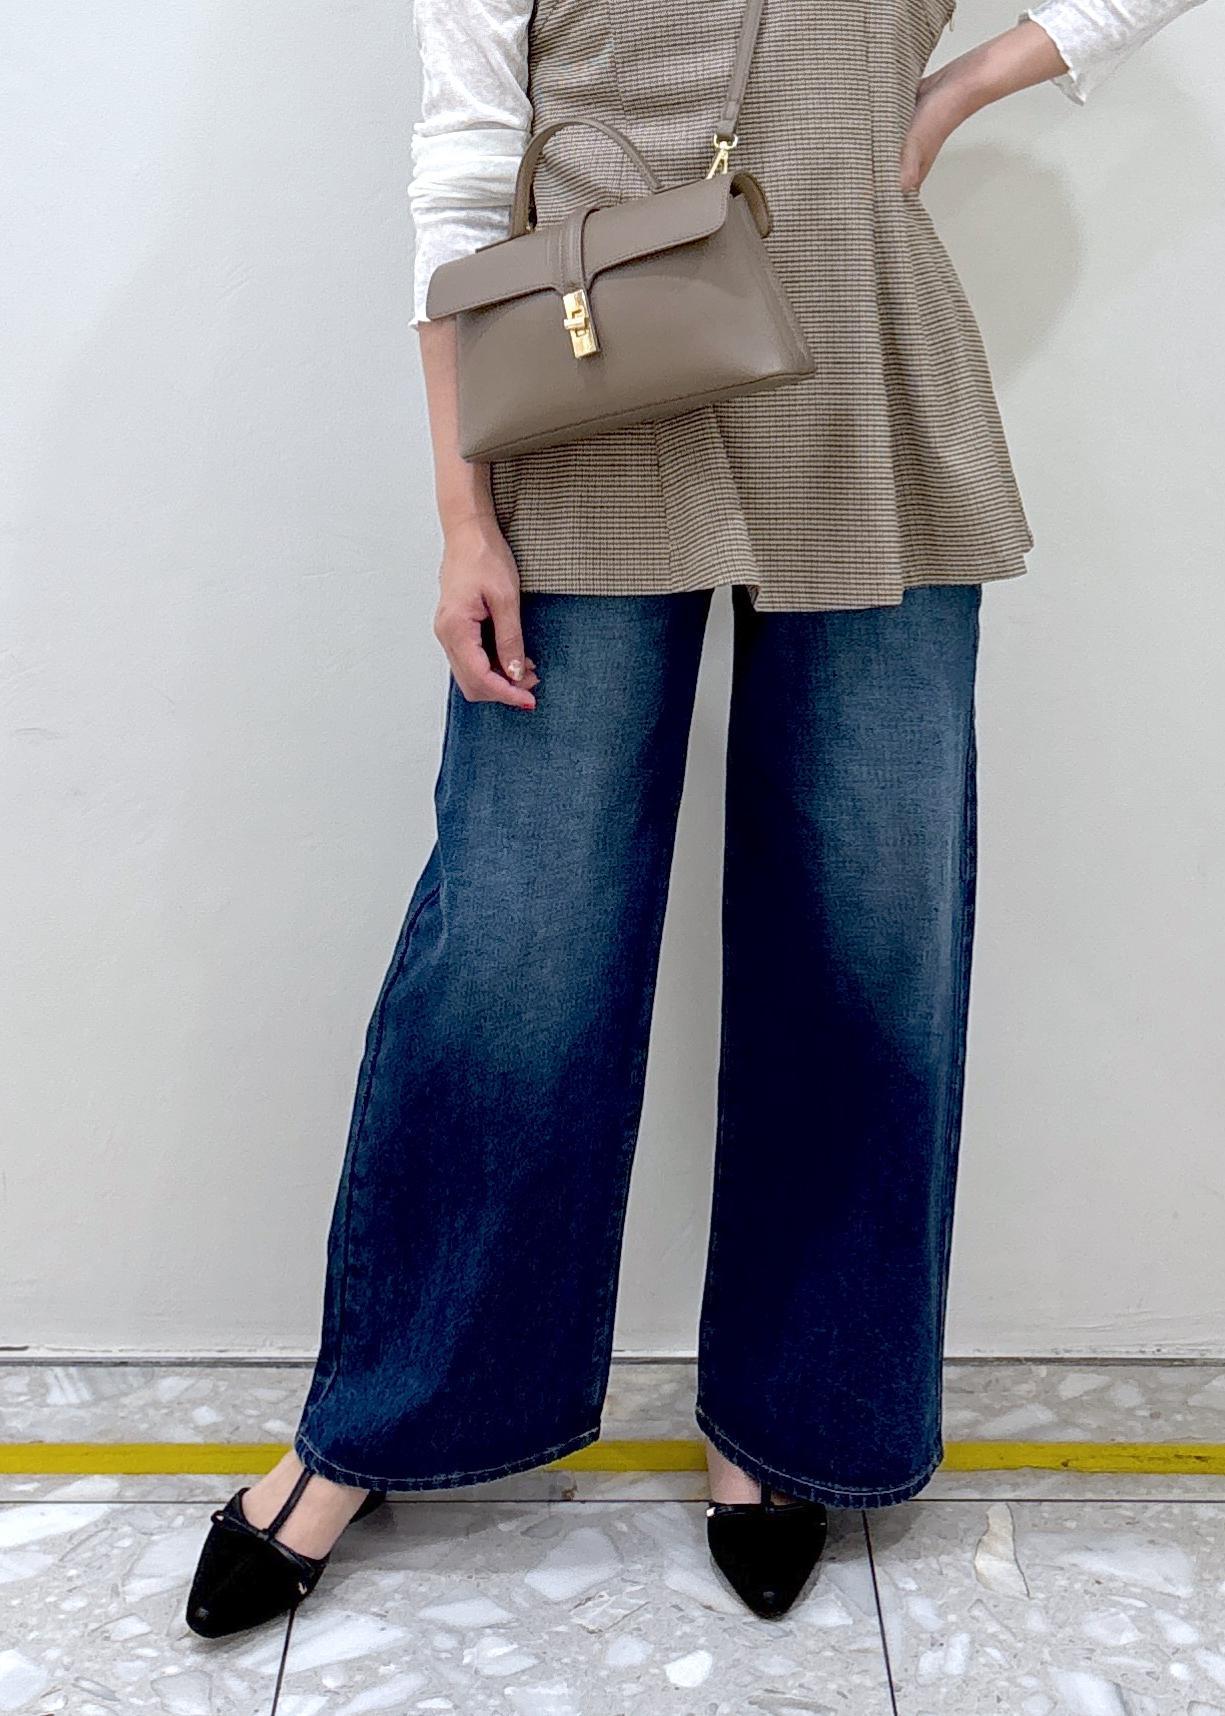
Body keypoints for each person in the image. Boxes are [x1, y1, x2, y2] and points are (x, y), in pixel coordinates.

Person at [186, 0, 1208, 1637]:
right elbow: (464, 168)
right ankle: (378, 1420)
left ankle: (789, 1428)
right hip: (581, 378)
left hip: (860, 374)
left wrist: (952, 93)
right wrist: (462, 518)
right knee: (518, 940)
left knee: (864, 934)